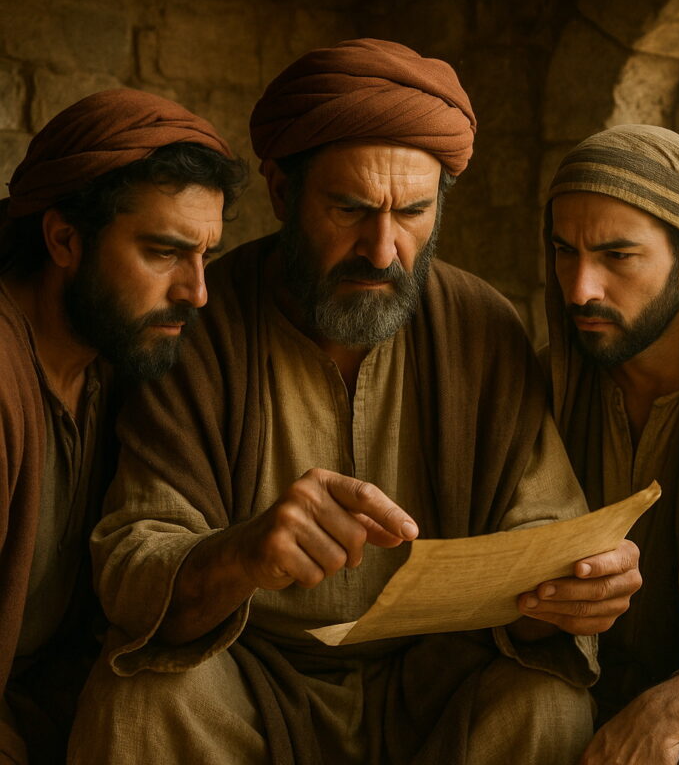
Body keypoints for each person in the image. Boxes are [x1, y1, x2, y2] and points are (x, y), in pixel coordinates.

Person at [69, 40, 639, 765]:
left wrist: (574, 592)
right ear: (283, 194)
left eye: (414, 212)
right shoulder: (202, 324)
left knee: (547, 705)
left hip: (435, 681)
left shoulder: (481, 325)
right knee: (140, 703)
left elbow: (542, 531)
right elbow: (131, 561)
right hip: (246, 674)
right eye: (350, 209)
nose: (383, 249)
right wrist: (244, 553)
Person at [0, 88, 245, 765]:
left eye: (206, 255)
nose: (197, 292)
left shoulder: (112, 366)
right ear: (64, 239)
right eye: (164, 252)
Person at [539, 124, 679, 764]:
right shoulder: (542, 383)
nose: (580, 288)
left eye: (617, 256)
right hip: (576, 683)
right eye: (564, 252)